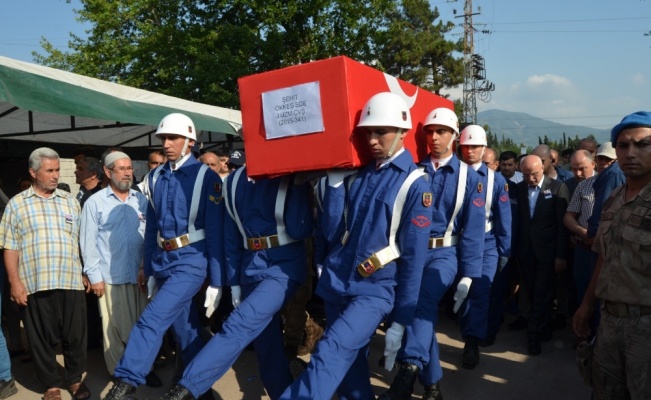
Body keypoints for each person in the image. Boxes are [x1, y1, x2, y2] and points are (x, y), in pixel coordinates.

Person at [277, 92, 431, 400]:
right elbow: (332, 231)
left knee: (330, 351)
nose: (372, 140)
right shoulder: (358, 177)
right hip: (337, 283)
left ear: (402, 131)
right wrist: (335, 185)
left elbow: (414, 260)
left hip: (375, 290)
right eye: (367, 132)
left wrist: (402, 320)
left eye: (380, 132)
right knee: (350, 367)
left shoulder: (415, 184)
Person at [157, 160, 314, 400]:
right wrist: (232, 283)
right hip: (250, 268)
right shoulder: (231, 182)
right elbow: (231, 238)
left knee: (238, 324)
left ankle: (185, 388)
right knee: (266, 345)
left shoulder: (288, 176)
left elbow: (299, 230)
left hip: (282, 267)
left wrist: (298, 187)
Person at [103, 113, 224, 400]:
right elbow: (153, 226)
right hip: (164, 260)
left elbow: (218, 230)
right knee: (185, 332)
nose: (166, 143)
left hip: (192, 260)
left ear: (190, 141)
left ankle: (125, 385)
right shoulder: (155, 175)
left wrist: (218, 280)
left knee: (151, 319)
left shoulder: (206, 176)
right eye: (163, 138)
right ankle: (199, 390)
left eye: (173, 138)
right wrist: (150, 266)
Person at [379, 107, 485, 400]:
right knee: (413, 310)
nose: (434, 137)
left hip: (444, 254)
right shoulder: (411, 169)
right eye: (429, 131)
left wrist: (469, 274)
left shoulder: (470, 177)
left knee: (420, 302)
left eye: (441, 131)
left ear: (454, 135)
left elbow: (474, 230)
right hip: (409, 252)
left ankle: (407, 370)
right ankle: (433, 385)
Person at [0, 147, 90, 400]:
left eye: (57, 170)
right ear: (33, 172)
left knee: (75, 336)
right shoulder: (17, 204)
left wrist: (85, 270)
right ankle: (50, 385)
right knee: (41, 338)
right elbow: (10, 246)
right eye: (49, 170)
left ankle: (74, 380)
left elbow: (81, 241)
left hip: (70, 279)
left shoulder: (69, 201)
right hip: (35, 283)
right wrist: (15, 282)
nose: (55, 175)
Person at [573, 111, 651, 398]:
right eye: (623, 145)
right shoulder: (614, 201)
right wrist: (586, 305)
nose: (631, 153)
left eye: (643, 144)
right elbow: (604, 258)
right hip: (609, 322)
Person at [80, 152, 149, 376]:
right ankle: (120, 375)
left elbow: (149, 236)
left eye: (130, 168)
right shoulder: (95, 202)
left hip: (139, 276)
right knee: (115, 330)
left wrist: (144, 267)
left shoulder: (141, 200)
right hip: (110, 277)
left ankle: (140, 370)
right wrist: (95, 277)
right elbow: (87, 243)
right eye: (122, 168)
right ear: (108, 172)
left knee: (141, 328)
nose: (128, 172)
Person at [457, 125, 511, 368]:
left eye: (476, 146)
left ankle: (472, 341)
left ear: (484, 148)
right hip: (454, 242)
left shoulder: (496, 181)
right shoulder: (451, 173)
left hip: (485, 243)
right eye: (466, 146)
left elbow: (504, 218)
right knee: (458, 292)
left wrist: (504, 250)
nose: (471, 151)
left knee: (479, 292)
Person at [515, 155, 569, 355]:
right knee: (531, 289)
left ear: (543, 168)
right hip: (525, 251)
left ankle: (534, 336)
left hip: (548, 252)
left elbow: (562, 226)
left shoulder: (556, 188)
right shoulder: (518, 189)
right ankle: (542, 326)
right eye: (526, 174)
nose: (530, 178)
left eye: (534, 174)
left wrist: (560, 255)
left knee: (542, 292)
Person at [563, 152, 598, 327]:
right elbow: (568, 217)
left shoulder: (617, 184)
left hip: (605, 252)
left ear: (594, 164)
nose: (577, 174)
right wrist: (583, 233)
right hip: (584, 249)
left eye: (582, 169)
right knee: (582, 290)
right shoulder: (582, 187)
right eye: (574, 169)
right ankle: (583, 333)